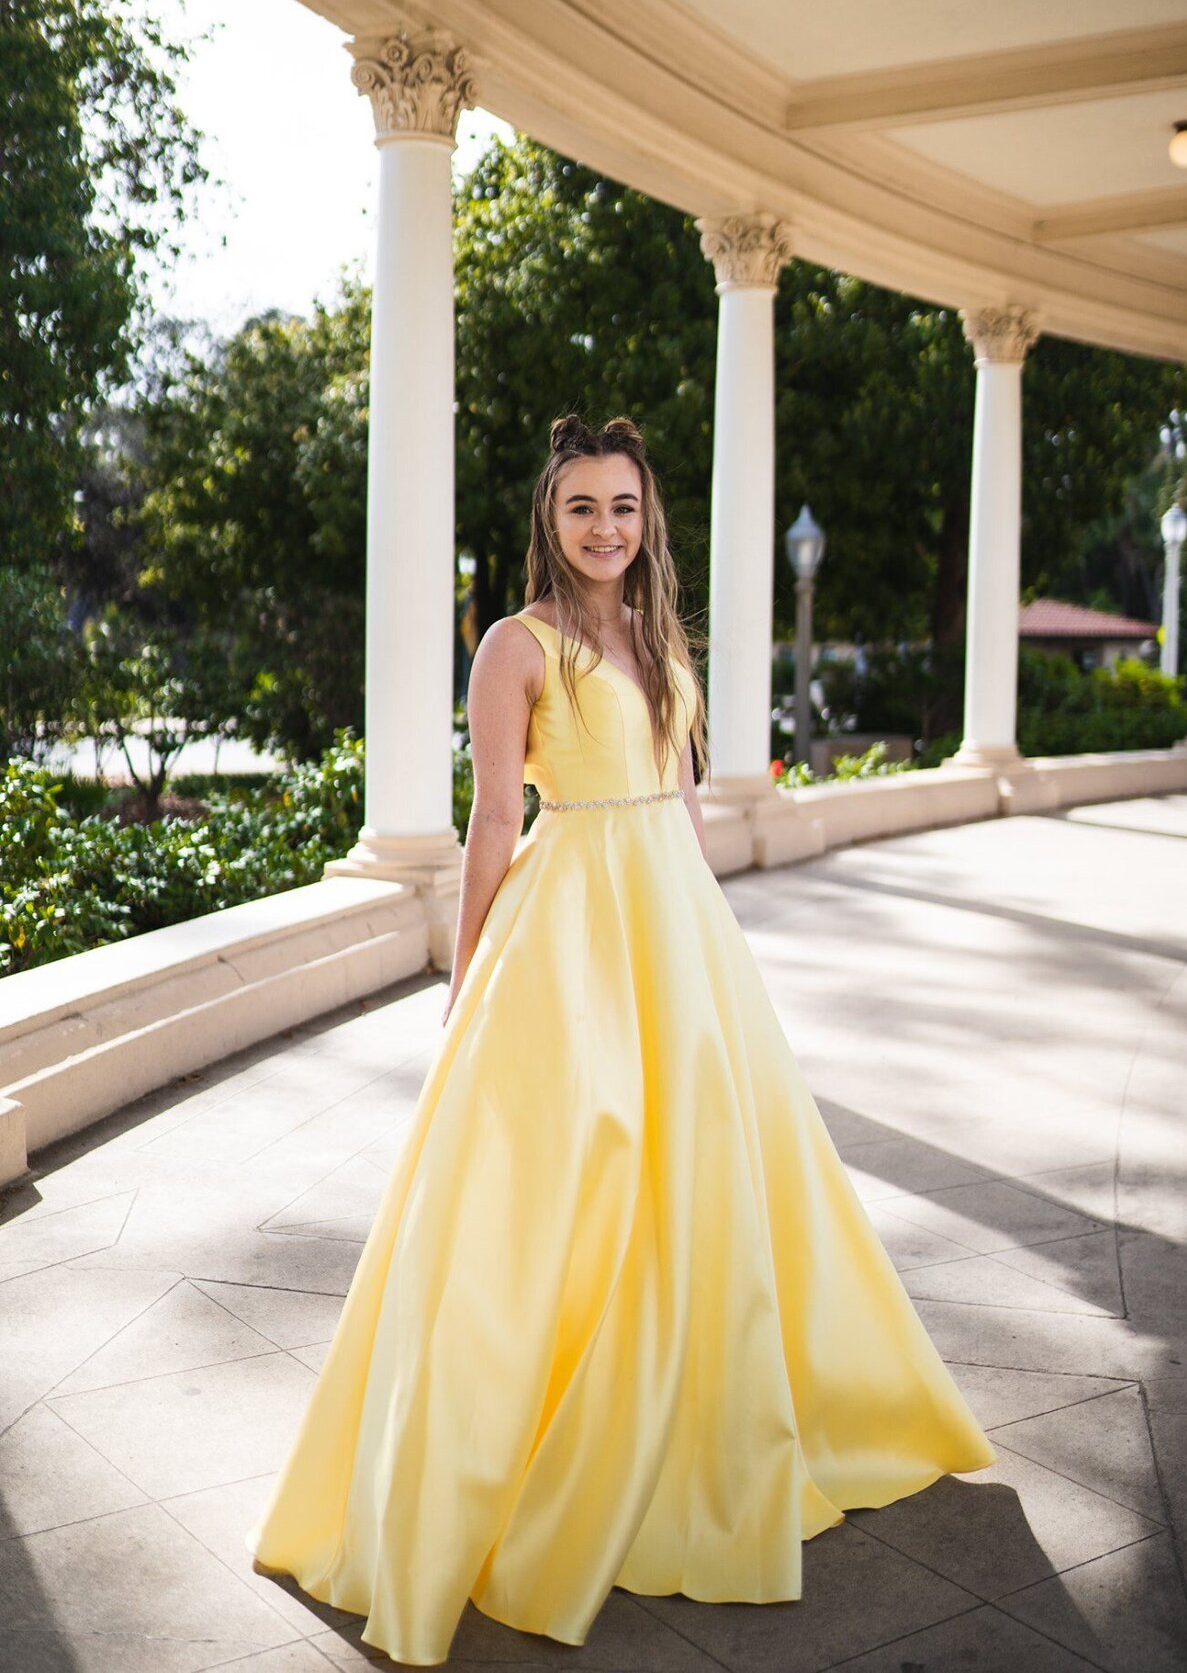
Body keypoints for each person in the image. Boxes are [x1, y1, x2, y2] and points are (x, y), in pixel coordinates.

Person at [246, 413, 996, 1666]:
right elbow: (492, 821)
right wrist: (468, 966)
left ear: (650, 519)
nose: (606, 527)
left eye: (626, 507)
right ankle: (529, 1443)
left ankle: (706, 1422)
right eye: (583, 506)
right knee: (569, 1180)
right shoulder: (514, 645)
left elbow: (684, 796)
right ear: (550, 517)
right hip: (571, 924)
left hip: (673, 921)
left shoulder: (656, 633)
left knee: (707, 1176)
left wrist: (711, 929)